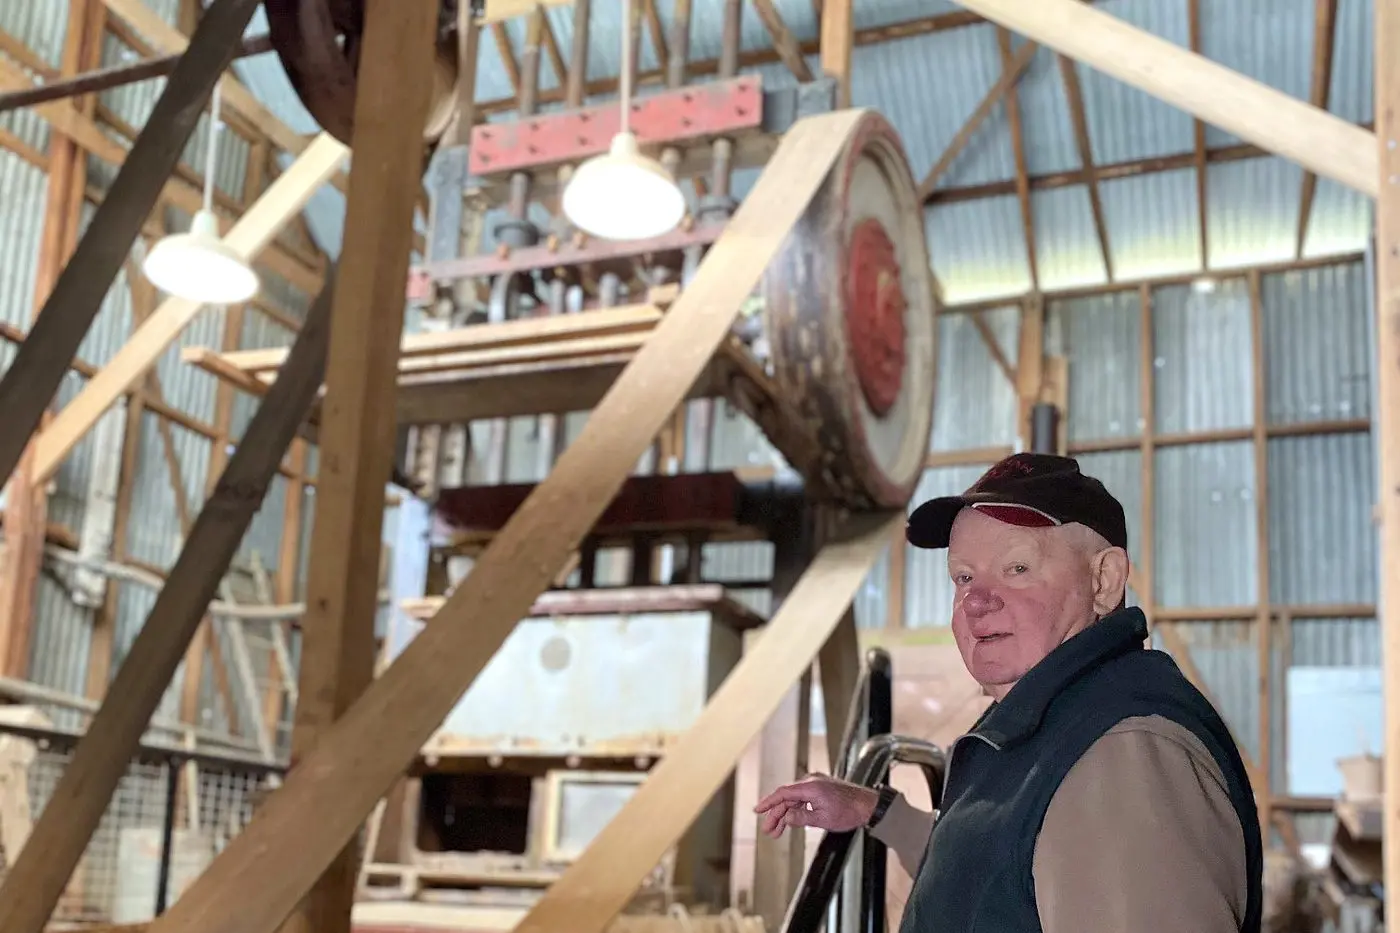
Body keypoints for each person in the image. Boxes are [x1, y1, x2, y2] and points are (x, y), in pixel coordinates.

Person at [754, 453, 1264, 933]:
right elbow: (1000, 873)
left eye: (1017, 569)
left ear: (1105, 580)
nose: (976, 602)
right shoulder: (1054, 723)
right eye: (963, 577)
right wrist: (877, 811)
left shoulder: (1123, 753)